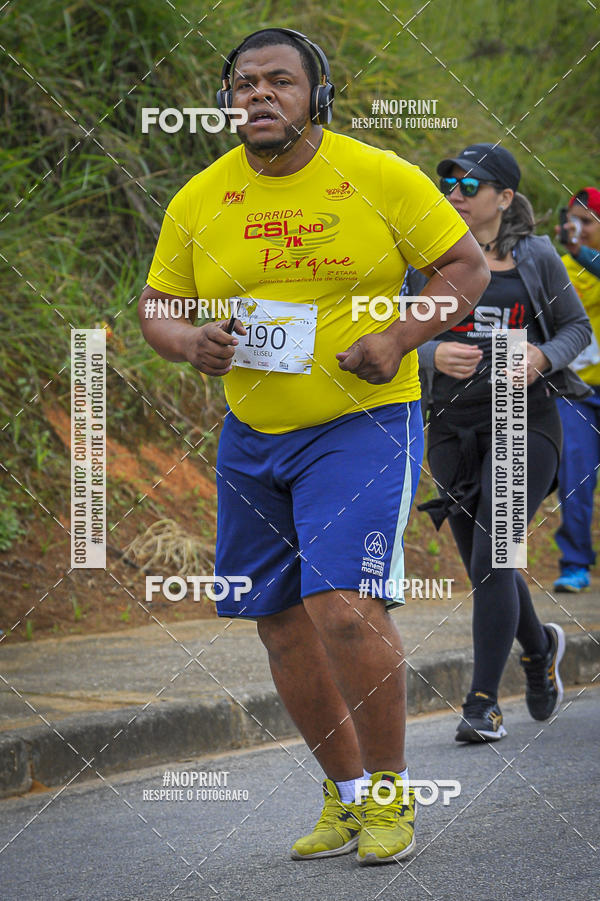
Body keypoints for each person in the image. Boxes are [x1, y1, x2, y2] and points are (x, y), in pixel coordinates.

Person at [137, 29, 489, 864]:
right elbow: (158, 306)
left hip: (361, 423)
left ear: (316, 95)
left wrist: (399, 336)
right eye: (243, 83)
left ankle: (395, 792)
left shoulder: (377, 177)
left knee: (343, 604)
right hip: (253, 435)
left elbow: (464, 267)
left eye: (279, 82)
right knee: (280, 622)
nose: (257, 95)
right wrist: (190, 343)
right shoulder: (200, 197)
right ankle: (348, 793)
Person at [416, 143, 592, 743]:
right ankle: (540, 647)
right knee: (488, 561)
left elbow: (576, 327)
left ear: (505, 198)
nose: (456, 194)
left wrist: (542, 354)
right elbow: (384, 336)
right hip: (450, 424)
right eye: (449, 184)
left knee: (497, 549)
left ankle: (483, 702)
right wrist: (432, 352)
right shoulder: (426, 258)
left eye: (471, 185)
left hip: (525, 416)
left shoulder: (536, 256)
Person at [553, 188, 600, 592]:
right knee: (576, 472)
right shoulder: (559, 268)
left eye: (587, 222)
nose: (578, 230)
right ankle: (575, 563)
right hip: (577, 391)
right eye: (573, 221)